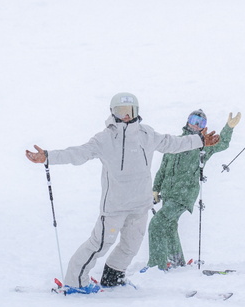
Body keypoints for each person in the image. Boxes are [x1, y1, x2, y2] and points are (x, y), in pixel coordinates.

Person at [24, 92, 220, 292]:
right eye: (121, 111)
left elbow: (173, 143)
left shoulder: (147, 135)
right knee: (99, 244)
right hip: (114, 206)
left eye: (130, 111)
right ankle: (75, 282)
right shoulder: (105, 139)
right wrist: (48, 157)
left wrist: (200, 141)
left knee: (131, 246)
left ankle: (113, 278)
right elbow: (78, 153)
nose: (126, 115)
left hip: (140, 205)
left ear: (136, 111)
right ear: (113, 112)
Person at [147, 108, 240, 269]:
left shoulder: (203, 145)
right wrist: (155, 189)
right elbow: (162, 169)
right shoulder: (174, 142)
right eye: (194, 120)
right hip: (169, 193)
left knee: (157, 224)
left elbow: (222, 143)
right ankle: (176, 261)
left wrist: (229, 127)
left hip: (184, 195)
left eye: (201, 123)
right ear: (187, 122)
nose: (196, 125)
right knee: (169, 226)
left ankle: (156, 266)